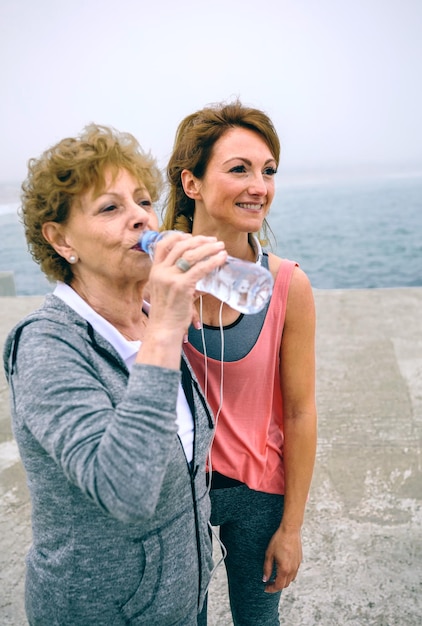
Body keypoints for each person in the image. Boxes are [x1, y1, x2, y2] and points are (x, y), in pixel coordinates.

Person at [2, 124, 229, 626]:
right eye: (110, 208)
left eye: (144, 201)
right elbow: (126, 492)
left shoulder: (144, 319)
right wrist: (167, 330)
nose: (140, 219)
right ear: (61, 240)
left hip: (183, 606)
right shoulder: (45, 344)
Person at [162, 100, 317, 625]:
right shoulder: (149, 280)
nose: (260, 185)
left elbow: (299, 412)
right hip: (176, 494)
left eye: (269, 171)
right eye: (239, 169)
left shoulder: (287, 285)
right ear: (192, 183)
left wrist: (291, 527)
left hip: (257, 493)